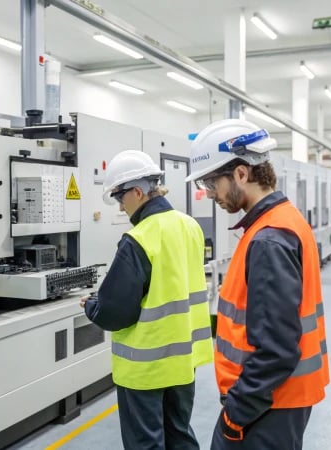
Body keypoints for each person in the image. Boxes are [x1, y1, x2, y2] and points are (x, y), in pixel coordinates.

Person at [186, 119, 330, 450]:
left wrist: (236, 414)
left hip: (267, 406)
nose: (209, 194)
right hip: (276, 399)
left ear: (240, 173)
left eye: (211, 182)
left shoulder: (268, 239)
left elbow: (277, 348)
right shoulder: (281, 219)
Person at [80, 150, 212, 450]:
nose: (120, 205)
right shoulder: (189, 225)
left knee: (146, 443)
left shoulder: (139, 237)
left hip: (146, 365)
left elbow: (114, 312)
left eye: (119, 197)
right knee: (179, 433)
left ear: (138, 192)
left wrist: (91, 306)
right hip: (183, 359)